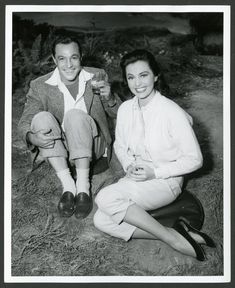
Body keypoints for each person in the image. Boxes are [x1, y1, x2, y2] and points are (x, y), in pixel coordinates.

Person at [93, 49, 215, 261]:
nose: (137, 83)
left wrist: (155, 172)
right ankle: (173, 233)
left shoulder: (171, 111)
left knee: (104, 197)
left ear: (156, 76)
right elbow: (121, 145)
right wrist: (129, 164)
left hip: (165, 181)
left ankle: (173, 239)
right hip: (136, 175)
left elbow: (195, 159)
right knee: (101, 220)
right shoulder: (125, 110)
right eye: (131, 77)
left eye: (144, 75)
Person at [18, 35, 122, 219]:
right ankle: (68, 186)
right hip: (62, 151)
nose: (69, 64)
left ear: (81, 57)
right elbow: (25, 120)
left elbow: (120, 114)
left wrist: (110, 97)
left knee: (74, 115)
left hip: (93, 145)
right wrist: (32, 137)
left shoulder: (96, 76)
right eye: (62, 58)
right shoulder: (40, 85)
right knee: (41, 117)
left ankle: (83, 188)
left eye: (74, 57)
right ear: (53, 60)